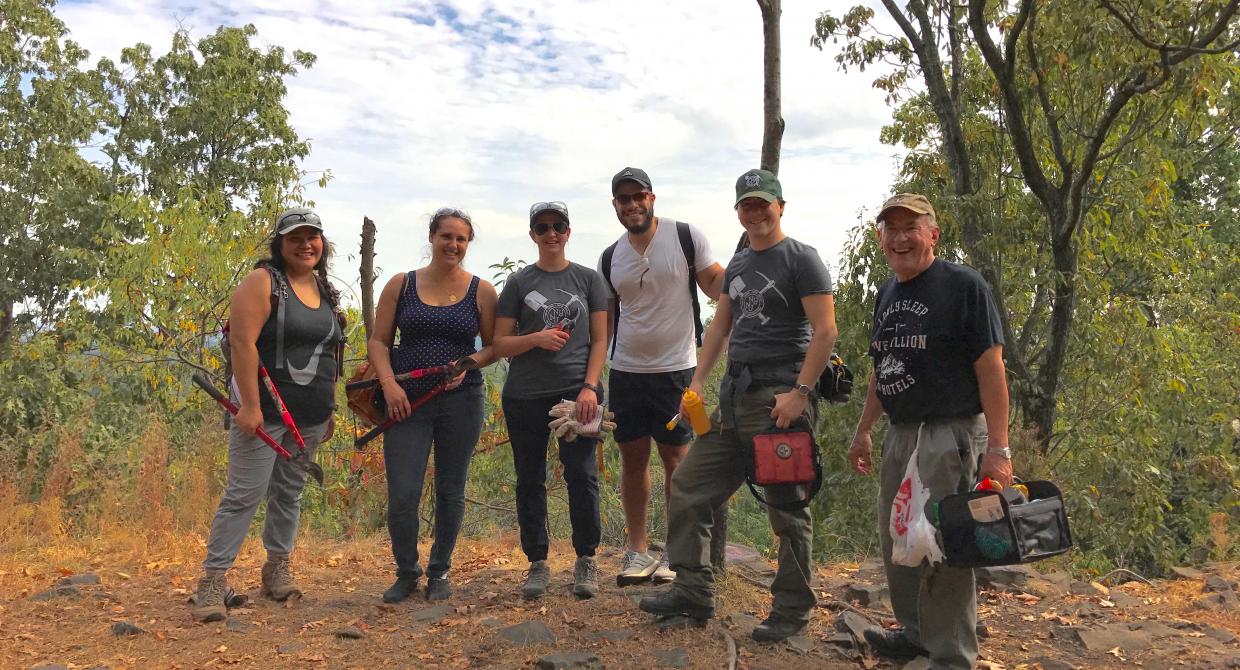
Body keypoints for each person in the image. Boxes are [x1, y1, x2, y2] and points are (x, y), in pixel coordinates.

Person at [639, 169, 838, 642]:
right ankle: (693, 591)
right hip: (733, 398)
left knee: (786, 510)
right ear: (738, 211)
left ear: (780, 205)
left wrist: (800, 393)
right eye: (746, 205)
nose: (755, 211)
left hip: (779, 400)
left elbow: (826, 331)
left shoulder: (801, 259)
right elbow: (720, 328)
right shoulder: (741, 262)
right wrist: (698, 384)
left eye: (762, 203)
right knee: (689, 485)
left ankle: (791, 610)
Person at [846, 194, 1012, 670]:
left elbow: (992, 369)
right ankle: (916, 633)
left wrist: (998, 448)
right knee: (899, 534)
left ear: (932, 235)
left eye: (910, 228)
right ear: (880, 238)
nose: (899, 238)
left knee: (944, 541)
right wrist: (863, 431)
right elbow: (884, 369)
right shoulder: (887, 293)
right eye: (890, 229)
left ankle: (951, 653)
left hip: (950, 432)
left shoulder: (964, 286)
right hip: (902, 432)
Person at [192, 207, 344, 622]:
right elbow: (243, 343)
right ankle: (212, 581)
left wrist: (330, 406)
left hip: (310, 414)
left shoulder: (325, 289)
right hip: (264, 414)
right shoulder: (263, 282)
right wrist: (251, 406)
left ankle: (276, 568)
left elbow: (331, 350)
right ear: (279, 244)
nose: (306, 244)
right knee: (244, 494)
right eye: (296, 237)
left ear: (322, 244)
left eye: (313, 236)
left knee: (289, 493)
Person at [598, 167, 725, 586]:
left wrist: (753, 270)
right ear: (615, 205)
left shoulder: (686, 237)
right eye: (623, 199)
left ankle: (675, 549)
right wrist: (592, 375)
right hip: (627, 372)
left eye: (639, 196)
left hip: (678, 371)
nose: (632, 204)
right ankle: (637, 551)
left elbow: (716, 286)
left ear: (652, 198)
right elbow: (608, 323)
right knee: (632, 460)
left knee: (677, 461)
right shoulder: (610, 256)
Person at [367, 207, 498, 603]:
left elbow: (493, 347)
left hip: (462, 400)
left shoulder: (482, 290)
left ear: (467, 243)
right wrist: (389, 386)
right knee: (403, 492)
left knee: (450, 488)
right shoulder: (401, 285)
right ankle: (407, 571)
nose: (453, 245)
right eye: (447, 236)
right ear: (432, 237)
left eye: (461, 239)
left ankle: (440, 570)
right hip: (406, 400)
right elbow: (378, 341)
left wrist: (468, 364)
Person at [493, 201, 609, 600]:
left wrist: (590, 387)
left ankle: (585, 560)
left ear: (569, 231)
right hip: (524, 394)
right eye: (542, 227)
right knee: (529, 478)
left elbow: (600, 339)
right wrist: (536, 339)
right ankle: (537, 563)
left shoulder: (588, 280)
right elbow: (500, 343)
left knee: (582, 475)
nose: (551, 233)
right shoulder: (519, 283)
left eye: (558, 226)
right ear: (532, 235)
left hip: (577, 394)